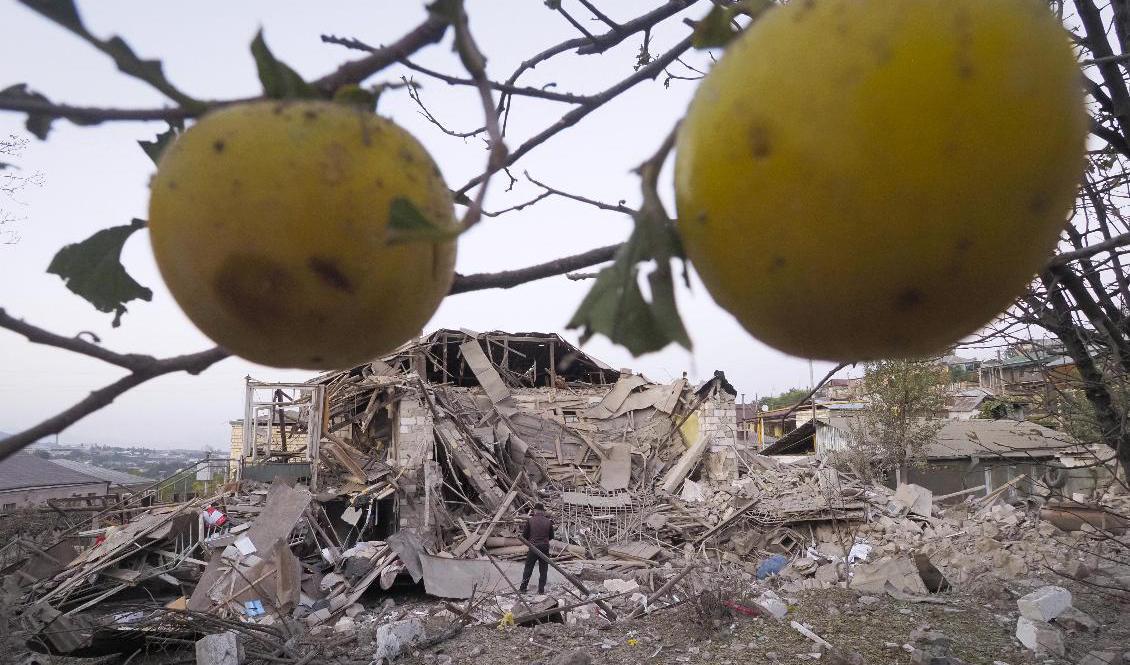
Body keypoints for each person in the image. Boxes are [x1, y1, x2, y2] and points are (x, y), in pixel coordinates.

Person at [519, 502, 554, 594]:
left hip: (533, 547)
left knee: (528, 568)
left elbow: (525, 535)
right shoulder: (548, 522)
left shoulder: (530, 521)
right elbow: (551, 536)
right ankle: (541, 590)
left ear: (535, 510)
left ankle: (523, 588)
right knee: (543, 569)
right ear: (543, 511)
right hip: (544, 547)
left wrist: (532, 540)